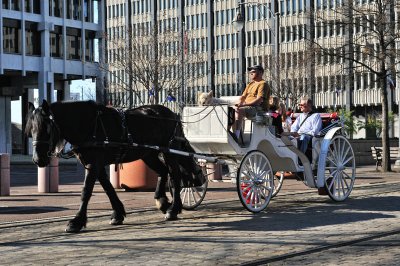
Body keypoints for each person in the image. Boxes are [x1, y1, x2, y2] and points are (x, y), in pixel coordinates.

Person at [232, 65, 270, 139]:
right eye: (250, 72)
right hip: (248, 107)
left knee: (239, 110)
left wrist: (243, 104)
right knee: (230, 110)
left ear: (260, 73)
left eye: (253, 72)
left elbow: (259, 100)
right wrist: (239, 103)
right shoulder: (250, 84)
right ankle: (230, 132)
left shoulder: (263, 84)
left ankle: (237, 135)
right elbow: (243, 96)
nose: (251, 73)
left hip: (259, 109)